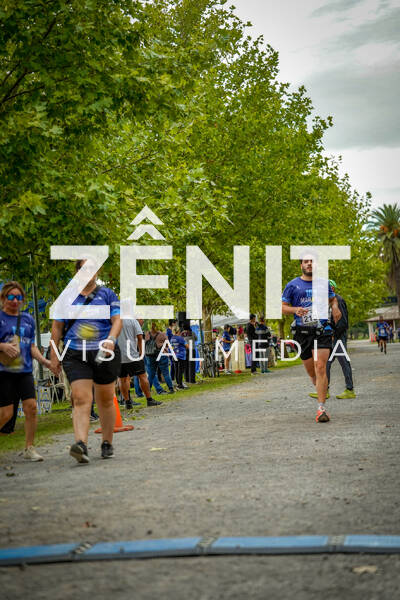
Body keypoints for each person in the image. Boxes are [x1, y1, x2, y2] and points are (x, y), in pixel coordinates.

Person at [50, 259, 122, 464]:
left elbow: (117, 320)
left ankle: (107, 443)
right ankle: (80, 444)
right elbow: (57, 327)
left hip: (104, 352)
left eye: (92, 268)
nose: (88, 271)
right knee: (81, 398)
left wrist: (111, 339)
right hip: (75, 353)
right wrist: (54, 355)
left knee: (105, 399)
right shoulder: (66, 297)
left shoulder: (108, 294)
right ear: (77, 271)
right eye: (83, 268)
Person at [282, 257, 341, 423]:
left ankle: (321, 408)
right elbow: (283, 307)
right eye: (306, 261)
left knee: (320, 366)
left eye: (312, 261)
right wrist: (295, 309)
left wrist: (335, 307)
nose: (309, 264)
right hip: (302, 333)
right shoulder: (292, 285)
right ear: (301, 265)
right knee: (312, 372)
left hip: (322, 330)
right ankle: (321, 387)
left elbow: (332, 299)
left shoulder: (324, 283)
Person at [0, 281, 50, 460]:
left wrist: (45, 361)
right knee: (6, 414)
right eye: (11, 297)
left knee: (31, 407)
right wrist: (3, 346)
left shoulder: (28, 319)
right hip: (4, 372)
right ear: (3, 298)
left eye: (18, 297)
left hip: (24, 372)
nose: (15, 300)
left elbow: (31, 347)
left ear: (22, 299)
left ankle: (29, 448)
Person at [322, 280, 356, 399]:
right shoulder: (329, 302)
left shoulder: (338, 300)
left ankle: (350, 390)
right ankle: (324, 390)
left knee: (343, 362)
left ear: (332, 289)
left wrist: (334, 335)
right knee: (326, 363)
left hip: (338, 336)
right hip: (331, 337)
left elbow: (343, 322)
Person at [118, 317, 161, 408]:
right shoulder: (133, 321)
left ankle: (127, 402)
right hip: (133, 354)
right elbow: (140, 337)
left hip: (119, 356)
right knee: (142, 376)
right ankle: (149, 399)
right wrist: (141, 351)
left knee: (123, 379)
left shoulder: (114, 320)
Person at [144, 322, 174, 396]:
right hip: (162, 354)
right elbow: (167, 344)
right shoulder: (162, 334)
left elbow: (144, 344)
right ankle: (171, 388)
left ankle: (148, 390)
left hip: (150, 355)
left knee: (151, 374)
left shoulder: (147, 334)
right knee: (165, 372)